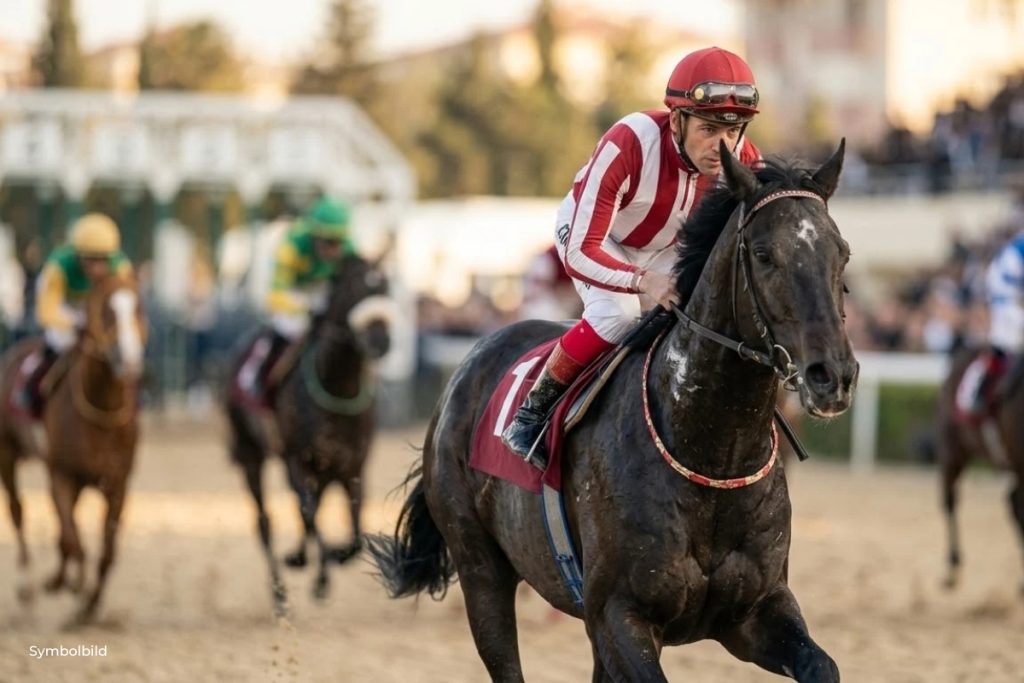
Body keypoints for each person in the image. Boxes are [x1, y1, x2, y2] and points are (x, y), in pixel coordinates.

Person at [502, 46, 763, 460]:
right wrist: (642, 280)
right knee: (617, 315)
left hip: (663, 249)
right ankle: (533, 412)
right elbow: (580, 251)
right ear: (677, 120)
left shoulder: (746, 164)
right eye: (709, 129)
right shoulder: (630, 141)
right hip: (595, 236)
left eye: (733, 131)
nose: (723, 147)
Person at [238, 197, 355, 405]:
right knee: (290, 328)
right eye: (329, 242)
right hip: (293, 292)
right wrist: (304, 307)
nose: (335, 249)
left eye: (339, 242)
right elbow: (276, 295)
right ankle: (259, 376)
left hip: (322, 291)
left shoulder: (348, 247)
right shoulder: (291, 246)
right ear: (315, 236)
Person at [13, 213, 133, 416]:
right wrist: (76, 323)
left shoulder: (120, 267)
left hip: (97, 313)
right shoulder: (58, 267)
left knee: (123, 347)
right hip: (65, 311)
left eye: (103, 259)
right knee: (61, 343)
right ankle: (30, 386)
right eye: (91, 259)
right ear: (78, 255)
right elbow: (46, 311)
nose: (97, 267)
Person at [974, 229, 1024, 411]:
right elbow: (1007, 288)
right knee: (1009, 339)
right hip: (1008, 299)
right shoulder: (1017, 251)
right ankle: (982, 389)